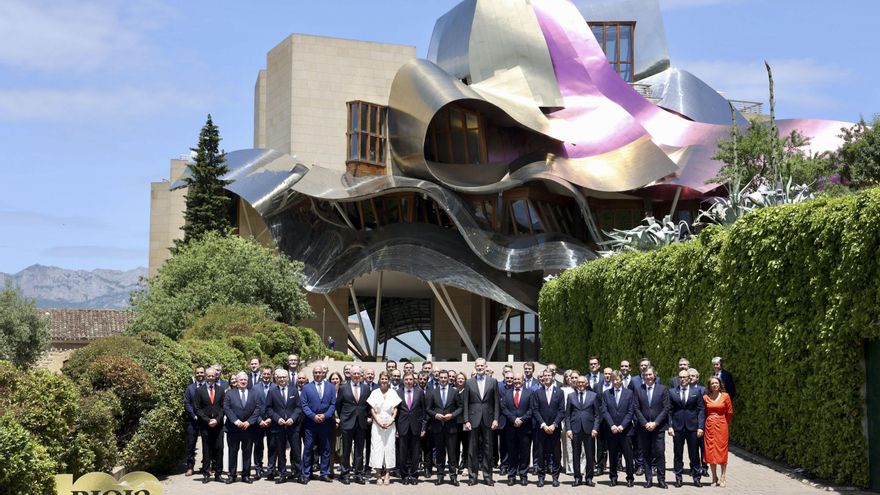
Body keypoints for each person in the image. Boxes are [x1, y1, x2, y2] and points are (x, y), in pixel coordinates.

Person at [463, 357, 500, 486]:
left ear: (486, 366)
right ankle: (472, 476)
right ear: (475, 367)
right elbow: (466, 403)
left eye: (482, 366)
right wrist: (466, 420)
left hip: (488, 420)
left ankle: (487, 476)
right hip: (473, 420)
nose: (480, 368)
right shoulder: (469, 382)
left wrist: (496, 419)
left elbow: (496, 403)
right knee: (472, 449)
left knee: (488, 449)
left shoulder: (493, 381)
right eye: (477, 366)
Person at [223, 371, 263, 484]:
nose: (243, 382)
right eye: (241, 380)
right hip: (233, 429)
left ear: (248, 381)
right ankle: (232, 475)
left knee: (247, 453)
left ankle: (246, 475)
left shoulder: (254, 393)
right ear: (237, 381)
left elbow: (257, 409)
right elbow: (226, 408)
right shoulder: (229, 393)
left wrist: (249, 422)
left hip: (248, 428)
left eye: (245, 380)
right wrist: (236, 421)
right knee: (233, 452)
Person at [265, 368, 303, 484]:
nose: (282, 379)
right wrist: (277, 419)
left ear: (288, 378)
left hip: (293, 426)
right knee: (280, 452)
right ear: (276, 379)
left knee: (296, 451)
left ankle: (299, 474)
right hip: (278, 426)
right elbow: (268, 408)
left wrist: (292, 418)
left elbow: (298, 407)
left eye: (284, 377)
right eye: (279, 377)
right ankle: (282, 474)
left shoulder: (294, 390)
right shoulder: (272, 391)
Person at [668, 370, 705, 487]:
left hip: (692, 427)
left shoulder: (697, 391)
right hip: (677, 427)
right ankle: (678, 477)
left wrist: (700, 427)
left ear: (689, 378)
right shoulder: (672, 392)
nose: (682, 379)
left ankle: (696, 478)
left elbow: (701, 409)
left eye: (685, 377)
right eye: (680, 377)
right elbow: (669, 410)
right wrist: (670, 426)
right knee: (677, 454)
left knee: (694, 453)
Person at [634, 367, 670, 488]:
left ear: (655, 375)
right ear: (643, 376)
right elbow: (636, 408)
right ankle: (648, 479)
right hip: (643, 428)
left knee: (659, 452)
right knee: (646, 453)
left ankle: (661, 479)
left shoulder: (663, 389)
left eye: (650, 374)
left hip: (658, 427)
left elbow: (666, 408)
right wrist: (645, 423)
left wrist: (655, 423)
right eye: (646, 375)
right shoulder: (639, 390)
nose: (648, 377)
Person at [426, 369, 462, 486]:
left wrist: (452, 415)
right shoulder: (432, 392)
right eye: (441, 377)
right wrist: (435, 415)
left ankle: (453, 476)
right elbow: (428, 409)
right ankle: (440, 476)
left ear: (448, 379)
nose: (443, 379)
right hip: (437, 427)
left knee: (452, 454)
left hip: (451, 427)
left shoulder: (454, 391)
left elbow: (460, 407)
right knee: (440, 454)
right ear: (438, 378)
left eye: (445, 378)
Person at [301, 365, 336, 483]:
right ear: (313, 374)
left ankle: (324, 473)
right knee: (308, 448)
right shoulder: (306, 388)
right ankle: (306, 473)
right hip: (311, 423)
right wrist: (313, 416)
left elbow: (332, 404)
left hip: (326, 423)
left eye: (320, 372)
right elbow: (304, 405)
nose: (318, 374)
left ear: (323, 373)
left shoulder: (331, 387)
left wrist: (325, 415)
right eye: (315, 372)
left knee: (325, 449)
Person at [602, 371, 636, 487]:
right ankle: (613, 477)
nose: (615, 382)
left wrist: (622, 425)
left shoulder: (629, 393)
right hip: (611, 430)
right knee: (612, 455)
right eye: (613, 380)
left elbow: (631, 411)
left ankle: (630, 477)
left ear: (621, 380)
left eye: (617, 380)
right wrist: (612, 425)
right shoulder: (606, 394)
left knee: (628, 455)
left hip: (625, 430)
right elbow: (605, 411)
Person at [337, 365, 370, 484]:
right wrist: (343, 418)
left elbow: (368, 405)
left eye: (358, 374)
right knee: (346, 450)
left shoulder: (366, 388)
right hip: (347, 422)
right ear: (350, 375)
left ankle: (358, 474)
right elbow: (339, 405)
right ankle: (344, 474)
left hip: (361, 423)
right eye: (354, 374)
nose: (356, 376)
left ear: (361, 375)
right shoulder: (343, 388)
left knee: (359, 450)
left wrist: (367, 417)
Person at [566, 375, 600, 487]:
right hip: (575, 430)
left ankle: (589, 477)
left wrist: (595, 428)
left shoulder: (593, 396)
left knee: (590, 455)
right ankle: (577, 477)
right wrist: (569, 429)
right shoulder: (571, 396)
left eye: (582, 382)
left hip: (589, 430)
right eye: (578, 382)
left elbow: (597, 415)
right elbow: (567, 416)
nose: (580, 384)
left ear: (586, 384)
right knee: (576, 454)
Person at [500, 372, 534, 486]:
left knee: (525, 452)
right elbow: (503, 408)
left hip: (525, 428)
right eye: (515, 379)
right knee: (512, 452)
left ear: (523, 380)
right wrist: (513, 419)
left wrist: (522, 419)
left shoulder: (530, 393)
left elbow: (532, 409)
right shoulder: (507, 393)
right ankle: (511, 476)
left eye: (519, 379)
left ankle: (523, 475)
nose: (517, 381)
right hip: (511, 427)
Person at [533, 369, 565, 487]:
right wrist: (544, 425)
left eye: (548, 375)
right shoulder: (537, 392)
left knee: (556, 454)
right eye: (544, 376)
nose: (546, 377)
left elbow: (562, 411)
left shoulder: (559, 392)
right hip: (541, 429)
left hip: (555, 429)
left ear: (553, 377)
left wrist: (554, 424)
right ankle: (541, 477)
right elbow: (535, 410)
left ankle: (555, 477)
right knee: (541, 454)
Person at [368, 371, 400, 485]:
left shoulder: (393, 392)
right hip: (377, 424)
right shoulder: (375, 392)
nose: (384, 381)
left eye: (386, 379)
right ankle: (378, 475)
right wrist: (378, 421)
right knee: (377, 448)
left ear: (389, 380)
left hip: (390, 424)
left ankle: (387, 474)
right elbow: (372, 409)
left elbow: (396, 408)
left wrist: (392, 420)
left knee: (389, 448)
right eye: (382, 379)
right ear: (379, 379)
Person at [194, 367, 225, 483]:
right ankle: (206, 474)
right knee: (206, 449)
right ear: (206, 377)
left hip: (218, 425)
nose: (211, 378)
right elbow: (197, 408)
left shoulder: (221, 390)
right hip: (205, 425)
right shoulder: (199, 391)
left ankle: (218, 474)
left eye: (213, 376)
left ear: (216, 376)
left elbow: (223, 407)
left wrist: (217, 420)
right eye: (209, 376)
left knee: (219, 449)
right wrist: (207, 420)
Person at [396, 372, 427, 484]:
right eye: (406, 380)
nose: (409, 381)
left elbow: (424, 412)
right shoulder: (398, 392)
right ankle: (404, 476)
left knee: (415, 453)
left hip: (416, 427)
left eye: (410, 379)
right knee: (403, 453)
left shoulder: (419, 392)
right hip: (402, 427)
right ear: (403, 381)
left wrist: (423, 428)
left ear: (414, 381)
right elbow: (395, 412)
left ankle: (414, 475)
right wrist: (395, 429)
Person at [703, 376, 733, 487]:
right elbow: (704, 412)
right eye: (712, 383)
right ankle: (714, 477)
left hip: (722, 425)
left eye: (716, 383)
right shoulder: (706, 397)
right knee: (710, 451)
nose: (714, 385)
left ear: (720, 384)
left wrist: (724, 422)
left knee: (722, 451)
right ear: (709, 386)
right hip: (710, 426)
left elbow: (729, 412)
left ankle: (723, 476)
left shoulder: (726, 396)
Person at [252, 366, 275, 479]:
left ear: (271, 375)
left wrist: (271, 418)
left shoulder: (276, 387)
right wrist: (259, 420)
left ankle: (271, 469)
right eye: (264, 374)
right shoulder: (255, 388)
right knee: (258, 446)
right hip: (258, 422)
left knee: (272, 446)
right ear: (261, 375)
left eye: (268, 374)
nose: (266, 376)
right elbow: (252, 406)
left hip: (272, 421)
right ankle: (258, 468)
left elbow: (277, 406)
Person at [183, 366, 205, 477]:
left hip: (205, 421)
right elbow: (186, 403)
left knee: (206, 445)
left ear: (204, 374)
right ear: (195, 374)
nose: (200, 374)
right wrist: (194, 415)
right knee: (191, 445)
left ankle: (205, 467)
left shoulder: (208, 387)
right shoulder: (190, 388)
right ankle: (190, 467)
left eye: (202, 372)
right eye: (198, 373)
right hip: (193, 421)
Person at [454, 371, 469, 476]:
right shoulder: (453, 391)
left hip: (465, 422)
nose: (460, 380)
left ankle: (465, 466)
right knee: (454, 445)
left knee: (466, 445)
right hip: (454, 423)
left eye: (462, 378)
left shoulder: (468, 392)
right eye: (458, 378)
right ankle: (454, 466)